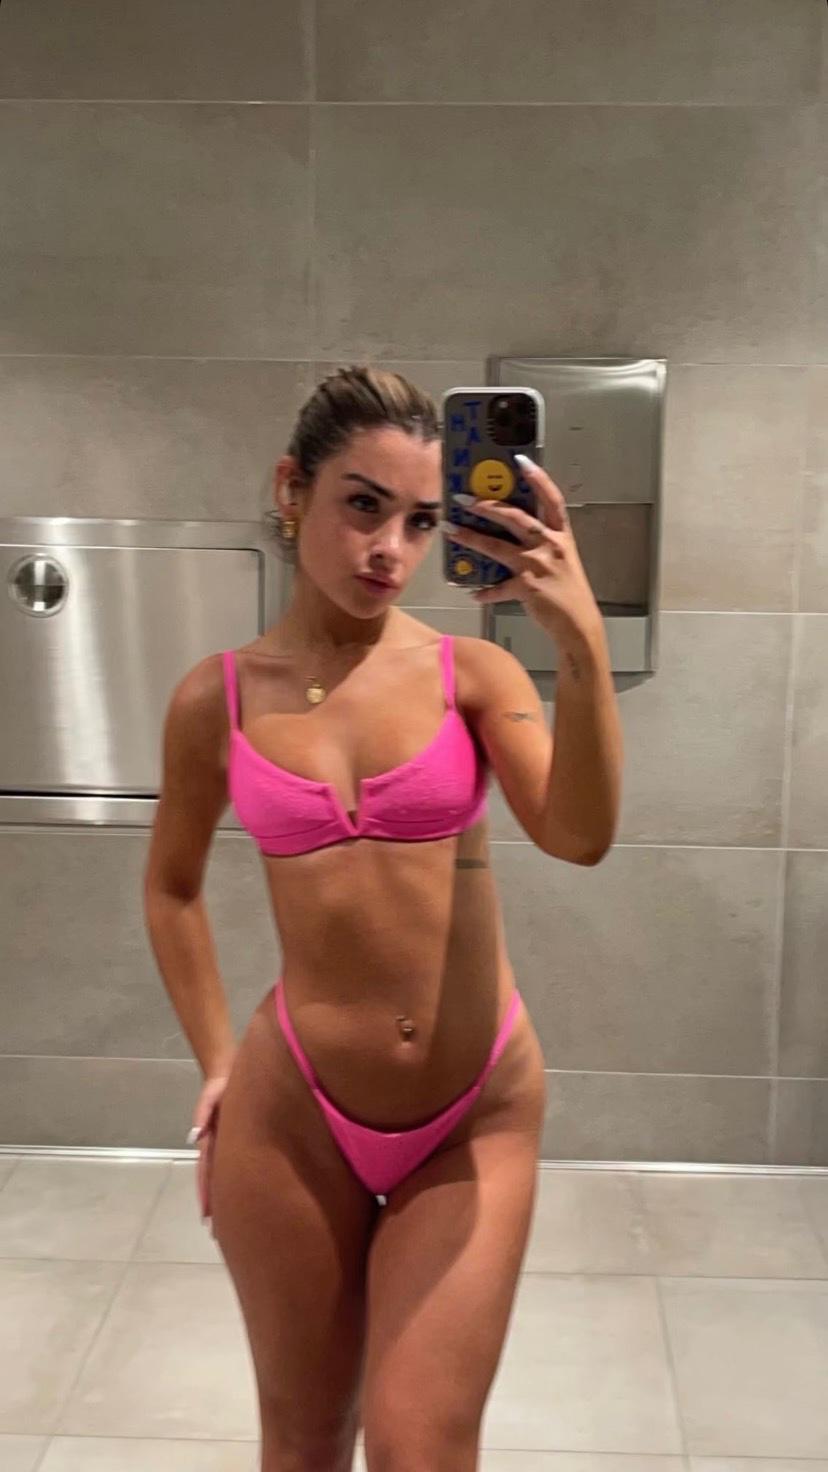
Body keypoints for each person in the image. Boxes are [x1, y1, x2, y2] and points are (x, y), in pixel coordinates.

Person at [143, 364, 623, 1472]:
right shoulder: (218, 697)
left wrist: (581, 642)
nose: (390, 550)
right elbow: (171, 886)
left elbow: (581, 834)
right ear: (291, 489)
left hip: (472, 1109)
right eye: (363, 505)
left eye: (418, 522)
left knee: (420, 1449)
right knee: (304, 1444)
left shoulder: (473, 675)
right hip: (292, 1113)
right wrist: (218, 1062)